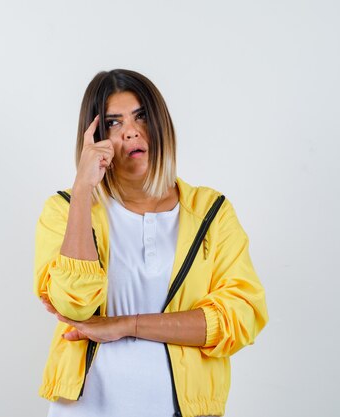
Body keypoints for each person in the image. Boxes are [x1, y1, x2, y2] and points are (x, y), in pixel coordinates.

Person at [33, 69, 268, 417]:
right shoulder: (65, 210)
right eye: (113, 123)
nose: (130, 130)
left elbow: (240, 318)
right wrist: (83, 189)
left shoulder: (210, 213)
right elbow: (74, 307)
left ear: (160, 123)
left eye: (140, 115)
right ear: (95, 137)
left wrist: (126, 325)